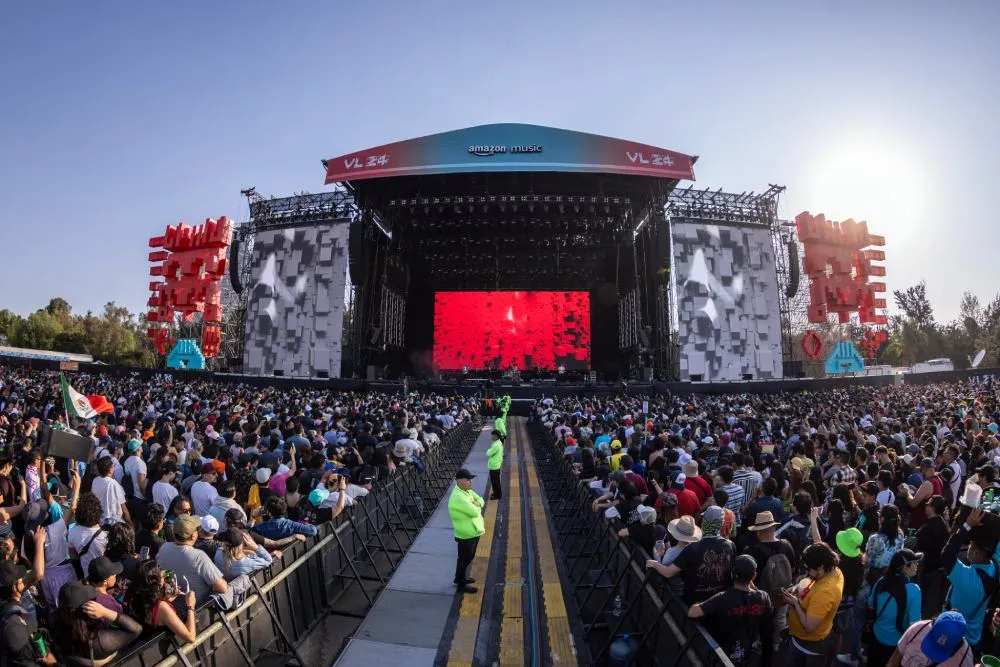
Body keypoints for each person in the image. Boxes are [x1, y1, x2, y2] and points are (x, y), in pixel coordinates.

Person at [689, 554, 773, 667]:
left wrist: (699, 603)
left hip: (724, 656)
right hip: (752, 655)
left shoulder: (722, 598)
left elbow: (692, 613)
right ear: (754, 576)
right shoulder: (763, 597)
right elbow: (769, 615)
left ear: (732, 574)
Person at [781, 542, 844, 667]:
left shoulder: (825, 593)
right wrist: (798, 587)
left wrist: (795, 603)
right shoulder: (834, 570)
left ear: (820, 567)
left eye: (809, 568)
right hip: (801, 640)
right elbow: (814, 582)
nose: (808, 572)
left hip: (807, 646)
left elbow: (809, 626)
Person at [52, 581, 143, 666]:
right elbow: (136, 629)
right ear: (88, 608)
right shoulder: (98, 640)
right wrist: (105, 612)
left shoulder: (57, 626)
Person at [155, 513, 228, 605]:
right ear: (193, 535)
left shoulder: (163, 548)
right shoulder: (198, 556)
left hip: (171, 605)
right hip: (195, 610)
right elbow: (222, 587)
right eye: (197, 529)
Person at [867, 549, 923, 666]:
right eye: (914, 562)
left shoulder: (882, 581)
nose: (917, 564)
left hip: (876, 638)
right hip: (897, 646)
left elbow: (871, 604)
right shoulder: (914, 590)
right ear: (904, 567)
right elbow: (914, 625)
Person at [128, 559, 198, 643]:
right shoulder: (162, 607)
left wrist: (167, 598)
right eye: (161, 575)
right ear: (158, 582)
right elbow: (191, 638)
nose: (164, 576)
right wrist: (191, 606)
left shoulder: (135, 595)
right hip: (167, 648)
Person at [887, 611, 974, 667]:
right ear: (933, 624)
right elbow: (893, 660)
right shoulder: (918, 629)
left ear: (958, 642)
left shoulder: (964, 657)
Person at [448, 468, 484, 594]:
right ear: (460, 481)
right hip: (465, 534)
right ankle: (461, 584)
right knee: (465, 558)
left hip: (473, 531)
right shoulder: (458, 497)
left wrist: (477, 503)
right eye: (468, 480)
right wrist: (477, 505)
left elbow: (481, 499)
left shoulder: (466, 491)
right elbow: (475, 511)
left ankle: (459, 578)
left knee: (467, 557)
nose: (471, 482)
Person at [487, 430, 504, 500]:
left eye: (492, 435)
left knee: (495, 482)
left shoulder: (496, 445)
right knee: (496, 481)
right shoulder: (498, 442)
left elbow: (488, 453)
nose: (491, 436)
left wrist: (488, 450)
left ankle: (497, 495)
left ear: (496, 436)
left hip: (494, 465)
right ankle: (496, 493)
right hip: (496, 464)